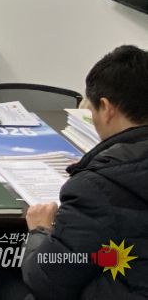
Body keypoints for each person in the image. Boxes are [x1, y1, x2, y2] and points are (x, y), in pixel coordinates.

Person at [20, 45, 148, 299]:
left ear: (107, 108)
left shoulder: (98, 187)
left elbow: (46, 279)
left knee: (2, 282)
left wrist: (40, 231)